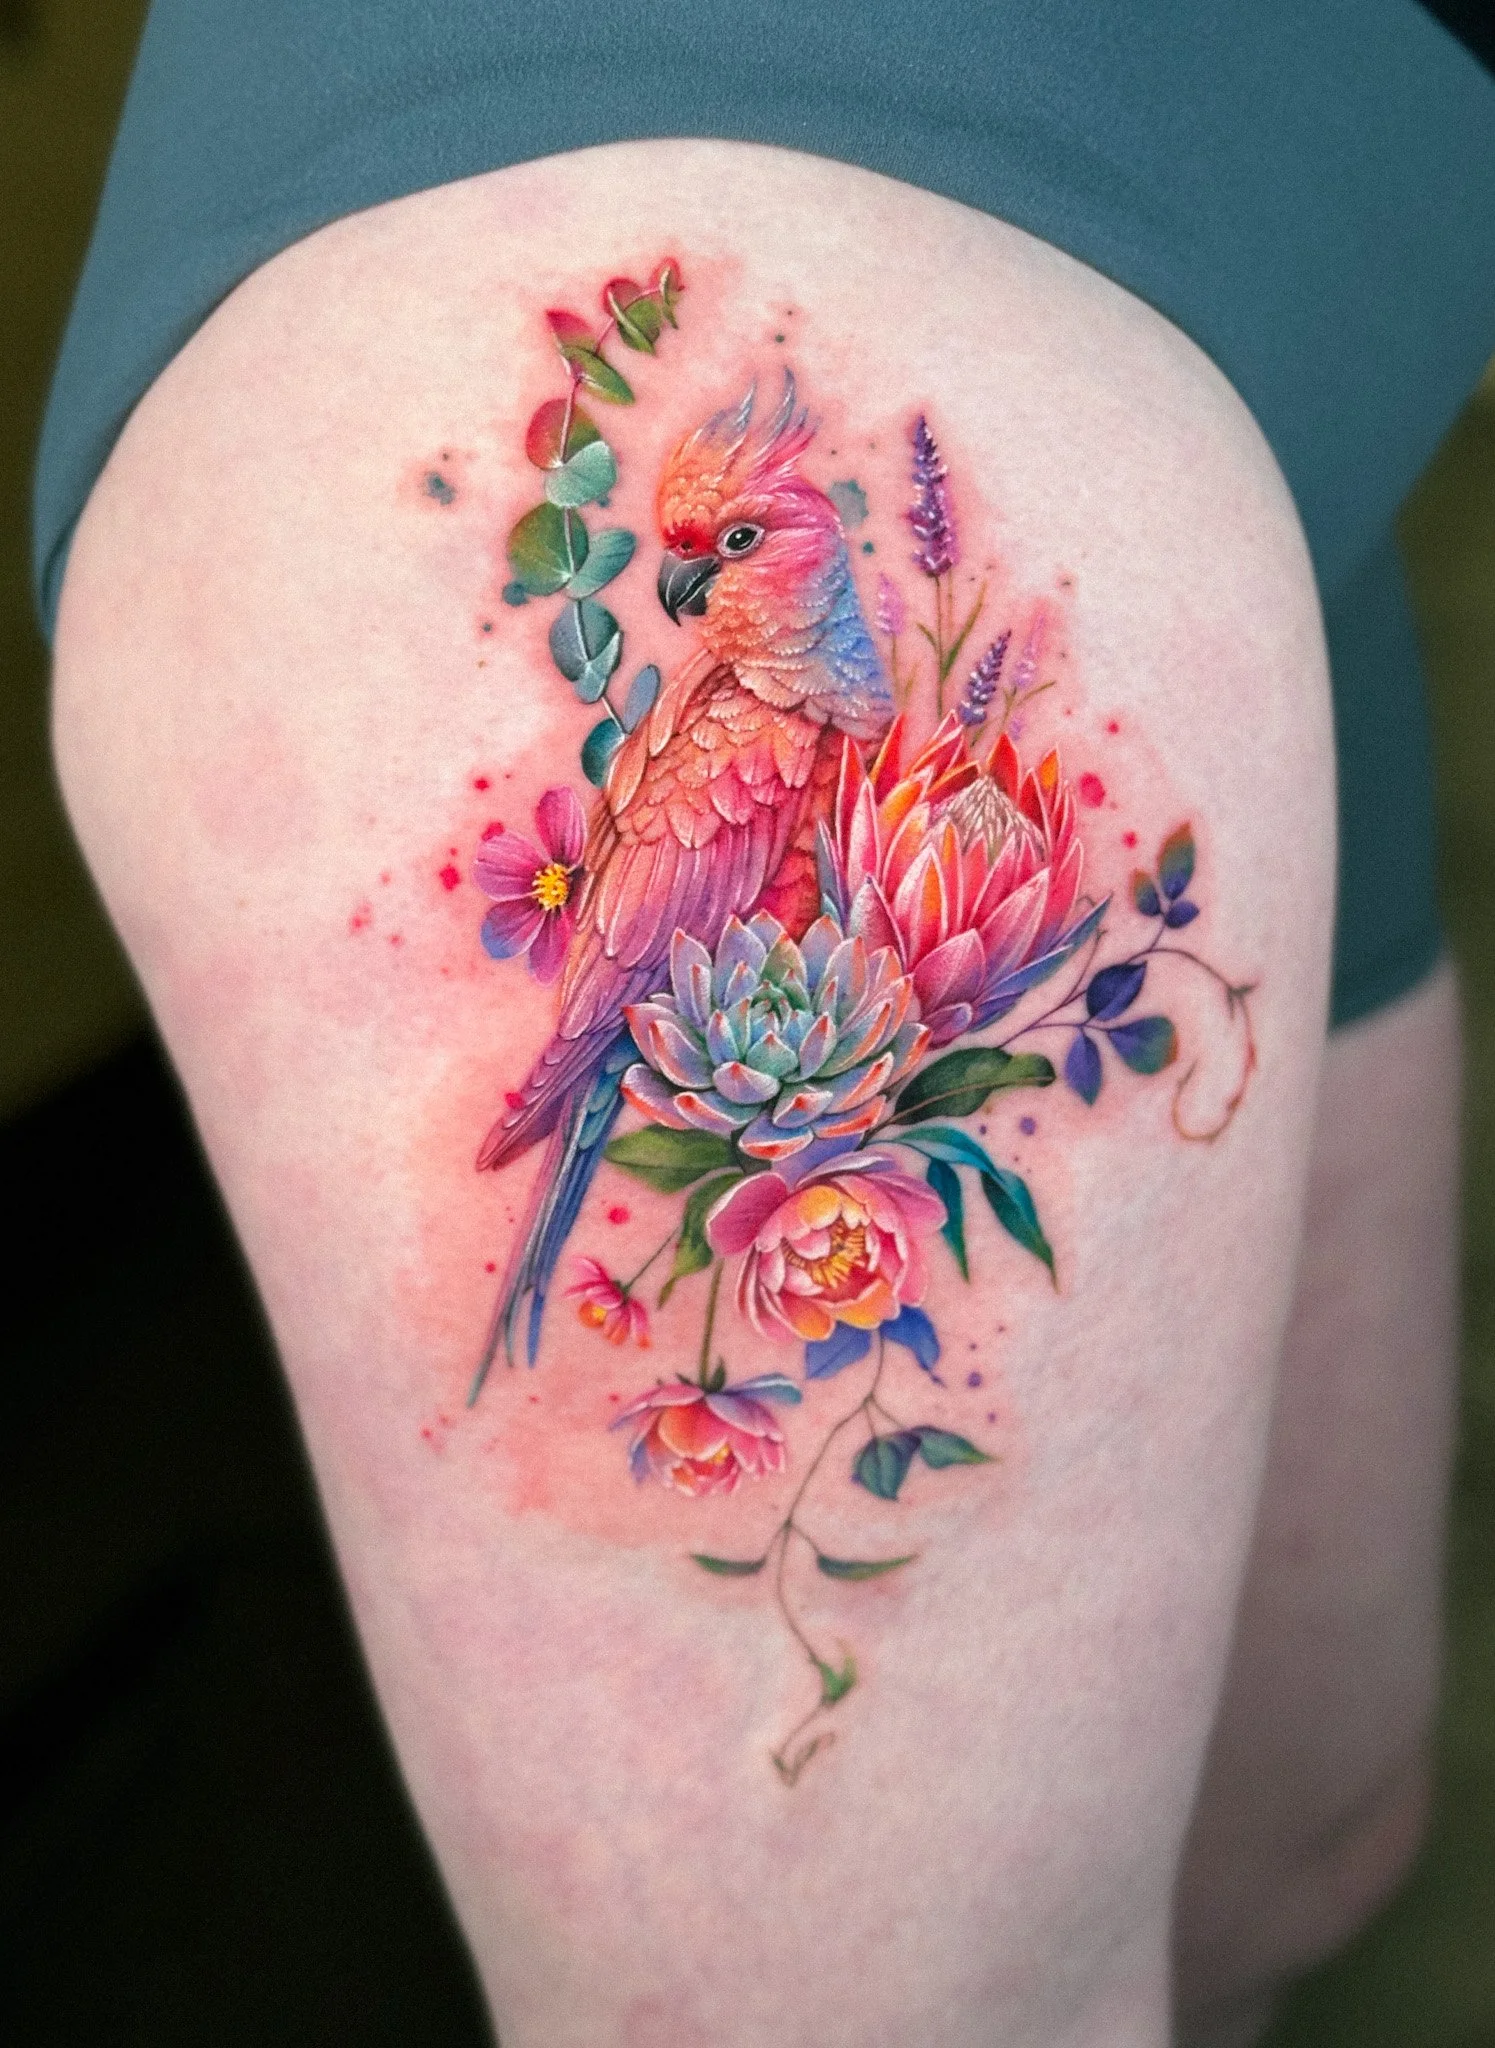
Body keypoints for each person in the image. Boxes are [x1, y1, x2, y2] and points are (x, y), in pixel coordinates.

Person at [34, 5, 1495, 2041]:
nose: (695, 578)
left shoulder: (863, 654)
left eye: (739, 549)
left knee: (1313, 1829)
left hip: (1312, 220)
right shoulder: (657, 658)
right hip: (694, 158)